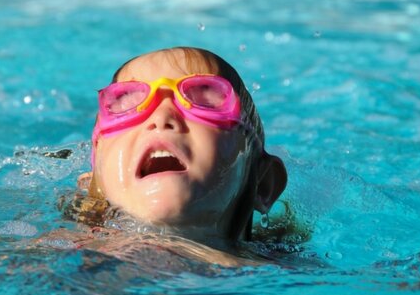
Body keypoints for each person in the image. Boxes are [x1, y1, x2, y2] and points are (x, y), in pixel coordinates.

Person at [60, 46, 293, 261]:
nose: (162, 119)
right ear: (91, 188)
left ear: (263, 185)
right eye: (128, 102)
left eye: (204, 97)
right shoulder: (55, 254)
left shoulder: (288, 276)